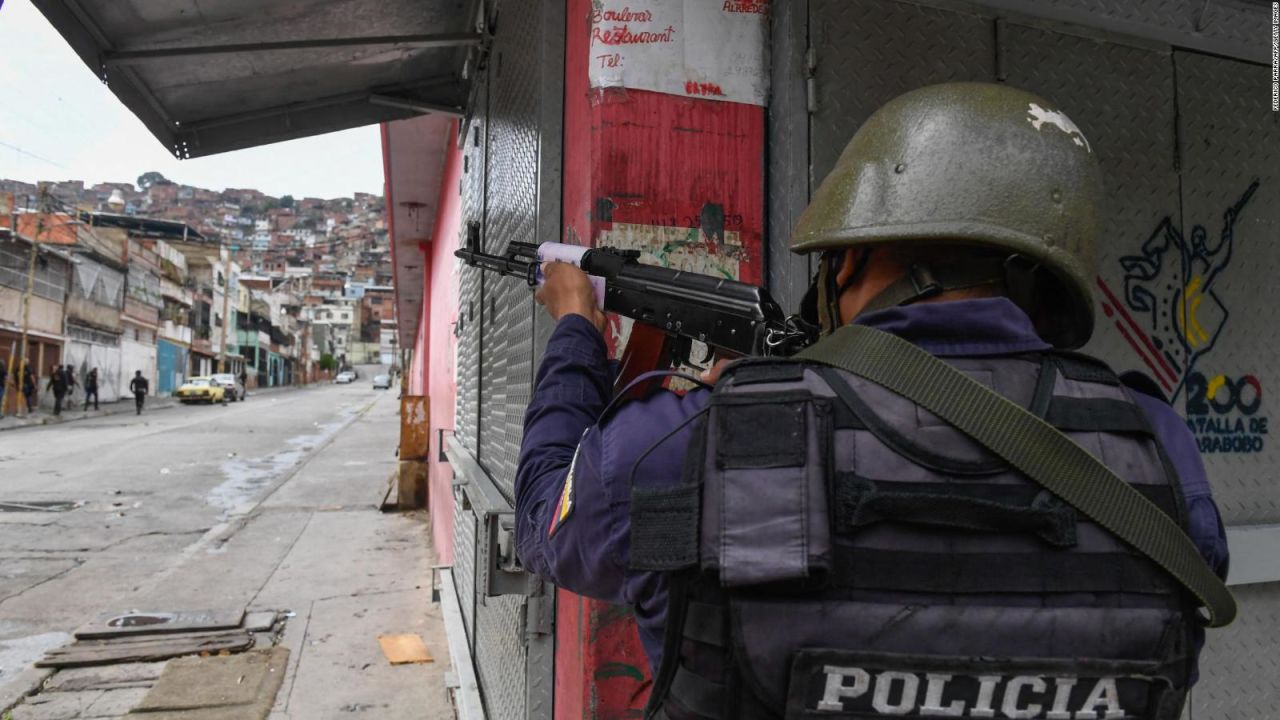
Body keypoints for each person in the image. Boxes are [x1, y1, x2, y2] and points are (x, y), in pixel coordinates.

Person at [513, 83, 1230, 719]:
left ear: (851, 255)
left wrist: (579, 332)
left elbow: (549, 525)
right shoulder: (1155, 442)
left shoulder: (689, 442)